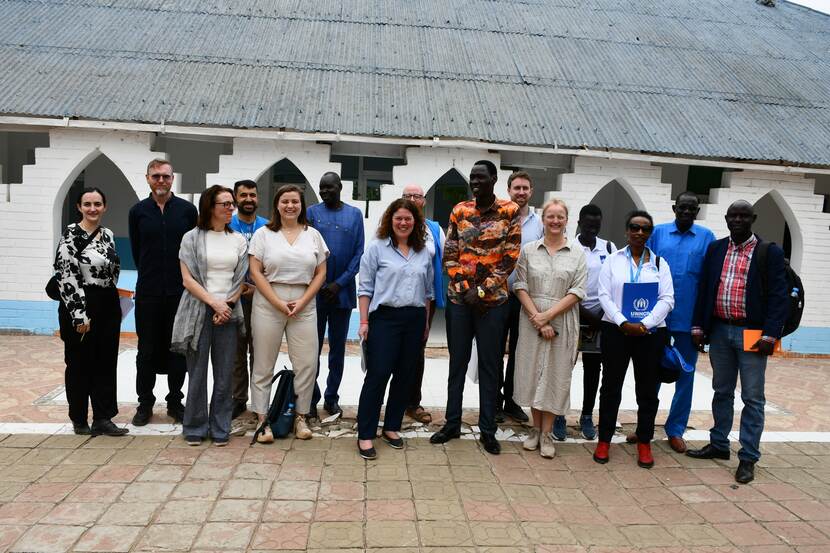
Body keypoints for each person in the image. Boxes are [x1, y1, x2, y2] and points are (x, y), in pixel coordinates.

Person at [686, 200, 788, 484]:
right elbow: (705, 289)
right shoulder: (717, 249)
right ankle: (719, 444)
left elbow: (779, 297)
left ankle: (748, 457)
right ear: (727, 219)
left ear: (753, 218)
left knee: (753, 398)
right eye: (734, 216)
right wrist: (698, 326)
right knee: (721, 390)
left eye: (744, 215)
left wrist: (771, 334)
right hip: (719, 330)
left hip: (753, 334)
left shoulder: (769, 252)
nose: (739, 220)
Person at [430, 160, 521, 455]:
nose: (476, 182)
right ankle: (452, 423)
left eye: (481, 177)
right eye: (473, 178)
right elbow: (450, 254)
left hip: (493, 305)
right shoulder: (460, 211)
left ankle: (487, 430)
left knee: (490, 366)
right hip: (460, 300)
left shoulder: (510, 212)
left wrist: (482, 291)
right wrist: (468, 289)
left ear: (494, 179)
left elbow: (510, 259)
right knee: (457, 364)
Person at [631, 192, 714, 453]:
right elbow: (643, 271)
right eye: (682, 208)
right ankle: (643, 426)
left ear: (697, 211)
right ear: (674, 208)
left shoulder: (706, 238)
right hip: (656, 320)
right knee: (650, 376)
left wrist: (702, 323)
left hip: (689, 322)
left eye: (692, 208)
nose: (687, 212)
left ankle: (675, 429)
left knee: (685, 377)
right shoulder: (658, 234)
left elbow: (708, 282)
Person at [592, 210, 674, 469]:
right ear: (626, 231)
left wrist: (644, 324)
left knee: (648, 390)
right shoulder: (613, 261)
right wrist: (623, 322)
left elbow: (667, 299)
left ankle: (644, 442)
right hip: (616, 331)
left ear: (650, 233)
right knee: (610, 388)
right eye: (634, 227)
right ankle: (604, 439)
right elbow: (603, 294)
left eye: (645, 229)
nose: (639, 233)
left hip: (650, 334)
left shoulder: (660, 264)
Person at [248, 185, 328, 442]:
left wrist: (303, 300)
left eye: (295, 201)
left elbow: (321, 273)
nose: (290, 206)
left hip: (304, 303)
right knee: (263, 362)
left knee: (306, 363)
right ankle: (262, 419)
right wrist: (278, 302)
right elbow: (255, 272)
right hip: (269, 301)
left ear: (302, 205)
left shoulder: (313, 235)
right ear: (277, 205)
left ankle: (300, 417)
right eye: (285, 201)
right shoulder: (263, 234)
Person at [171, 185, 248, 446]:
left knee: (225, 374)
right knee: (198, 373)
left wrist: (226, 305)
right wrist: (214, 304)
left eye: (231, 205)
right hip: (199, 310)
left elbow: (240, 279)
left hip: (228, 310)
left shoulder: (238, 239)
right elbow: (187, 279)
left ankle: (220, 426)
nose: (230, 209)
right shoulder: (191, 238)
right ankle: (194, 425)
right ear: (210, 207)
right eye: (225, 204)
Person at [356, 199, 434, 459]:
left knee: (405, 376)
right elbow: (365, 288)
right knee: (378, 374)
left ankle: (391, 427)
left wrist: (424, 323)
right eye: (399, 218)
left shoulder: (423, 252)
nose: (403, 223)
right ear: (390, 220)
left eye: (408, 219)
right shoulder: (377, 248)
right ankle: (366, 434)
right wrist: (364, 322)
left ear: (416, 222)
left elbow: (428, 292)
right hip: (384, 319)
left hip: (413, 319)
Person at [513, 199, 587, 458]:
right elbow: (520, 285)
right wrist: (537, 317)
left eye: (560, 217)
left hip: (562, 318)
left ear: (567, 220)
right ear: (542, 220)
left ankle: (547, 434)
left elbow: (578, 290)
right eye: (550, 216)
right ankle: (534, 429)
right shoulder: (529, 250)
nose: (555, 221)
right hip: (531, 317)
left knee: (556, 375)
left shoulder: (577, 253)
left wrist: (548, 317)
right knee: (533, 372)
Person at [128, 158, 197, 426]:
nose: (161, 181)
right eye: (156, 176)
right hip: (148, 293)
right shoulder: (138, 212)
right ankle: (145, 403)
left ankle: (175, 401)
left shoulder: (187, 211)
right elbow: (137, 251)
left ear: (172, 179)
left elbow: (192, 249)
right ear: (147, 178)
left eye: (165, 176)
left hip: (180, 293)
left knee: (178, 350)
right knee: (145, 350)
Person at [54, 187, 128, 437]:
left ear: (104, 207)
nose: (93, 209)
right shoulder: (71, 234)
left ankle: (103, 417)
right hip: (81, 302)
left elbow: (112, 268)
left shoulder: (107, 234)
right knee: (79, 364)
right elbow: (66, 274)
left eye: (97, 204)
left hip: (107, 301)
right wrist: (79, 314)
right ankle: (79, 418)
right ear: (79, 207)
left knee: (105, 362)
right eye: (87, 204)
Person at [307, 172, 364, 419]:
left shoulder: (354, 215)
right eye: (322, 188)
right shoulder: (310, 213)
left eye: (330, 187)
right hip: (315, 293)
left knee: (338, 350)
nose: (325, 192)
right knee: (312, 349)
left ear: (340, 187)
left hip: (342, 294)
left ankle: (332, 398)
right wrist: (320, 284)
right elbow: (306, 249)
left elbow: (359, 254)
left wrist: (338, 284)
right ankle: (310, 397)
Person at [499, 171, 544, 425]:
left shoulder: (539, 224)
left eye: (525, 188)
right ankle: (493, 401)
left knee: (519, 350)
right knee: (494, 349)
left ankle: (512, 402)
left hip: (525, 297)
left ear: (531, 191)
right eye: (517, 188)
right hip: (498, 294)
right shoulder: (499, 217)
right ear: (509, 190)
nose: (521, 192)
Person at [400, 184, 445, 426]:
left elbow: (445, 260)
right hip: (396, 299)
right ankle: (394, 401)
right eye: (408, 196)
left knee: (417, 352)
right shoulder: (393, 225)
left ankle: (412, 402)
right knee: (394, 352)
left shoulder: (435, 230)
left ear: (424, 201)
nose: (413, 199)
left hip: (425, 300)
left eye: (417, 196)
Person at [573, 204, 616, 441]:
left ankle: (587, 415)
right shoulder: (569, 246)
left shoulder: (609, 248)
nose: (592, 228)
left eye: (596, 225)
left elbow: (613, 282)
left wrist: (602, 313)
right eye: (588, 224)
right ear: (579, 223)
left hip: (600, 318)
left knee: (592, 370)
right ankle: (558, 414)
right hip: (571, 314)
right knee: (564, 369)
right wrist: (581, 312)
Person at [228, 179, 269, 426]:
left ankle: (260, 401)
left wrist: (258, 287)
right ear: (235, 198)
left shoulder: (267, 227)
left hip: (260, 297)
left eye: (252, 195)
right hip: (233, 297)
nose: (248, 199)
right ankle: (238, 398)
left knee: (260, 351)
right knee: (235, 351)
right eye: (243, 195)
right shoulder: (226, 225)